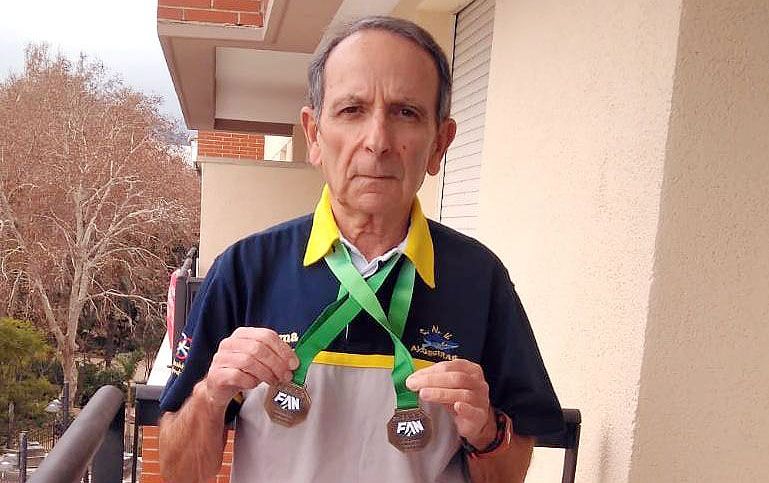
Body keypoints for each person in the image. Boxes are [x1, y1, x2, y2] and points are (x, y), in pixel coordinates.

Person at [158, 16, 563, 483]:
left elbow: (509, 474)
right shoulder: (246, 270)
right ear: (314, 135)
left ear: (440, 144)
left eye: (405, 112)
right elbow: (179, 474)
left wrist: (487, 433)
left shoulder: (480, 279)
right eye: (352, 110)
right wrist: (211, 394)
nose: (377, 142)